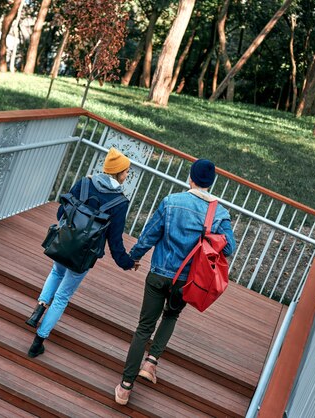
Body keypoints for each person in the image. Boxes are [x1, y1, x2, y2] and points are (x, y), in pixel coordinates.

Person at [114, 159, 236, 405]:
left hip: (159, 274)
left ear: (190, 178)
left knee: (143, 328)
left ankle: (125, 387)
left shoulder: (171, 202)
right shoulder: (219, 213)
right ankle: (151, 362)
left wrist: (133, 258)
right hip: (186, 281)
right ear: (210, 183)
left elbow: (150, 235)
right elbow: (229, 247)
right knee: (171, 316)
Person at [25, 147, 140, 358]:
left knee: (55, 273)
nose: (127, 175)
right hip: (84, 255)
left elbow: (62, 211)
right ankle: (38, 342)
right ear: (118, 172)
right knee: (62, 297)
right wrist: (127, 262)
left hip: (63, 243)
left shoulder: (85, 183)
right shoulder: (120, 203)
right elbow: (115, 242)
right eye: (126, 171)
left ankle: (38, 310)